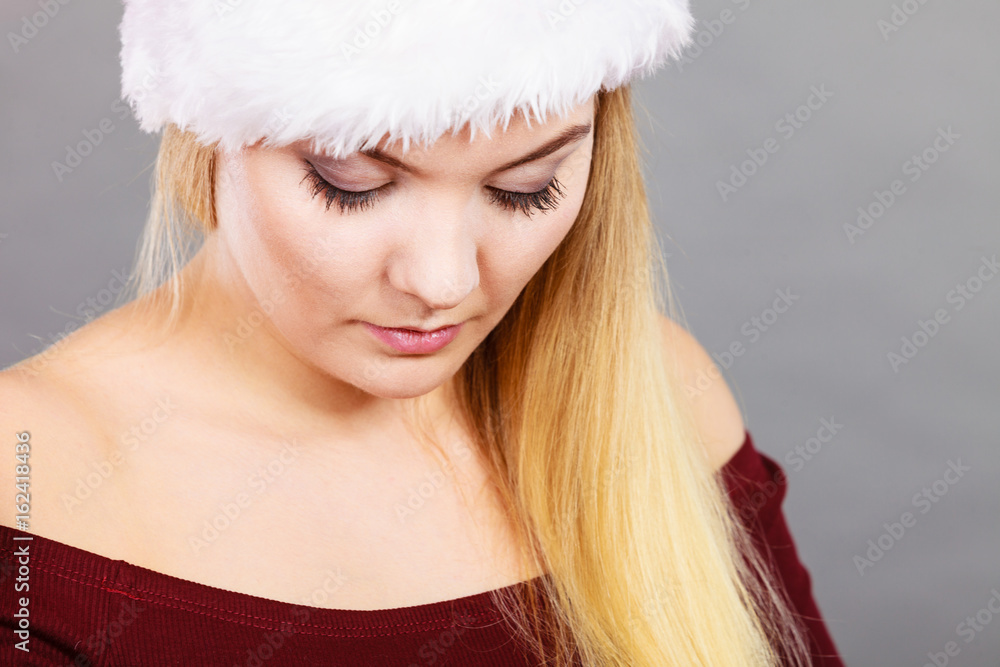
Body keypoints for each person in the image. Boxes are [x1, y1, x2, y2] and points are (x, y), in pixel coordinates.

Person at [0, 0, 844, 664]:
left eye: (527, 187)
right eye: (351, 184)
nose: (443, 283)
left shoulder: (662, 393)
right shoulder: (30, 470)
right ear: (205, 130)